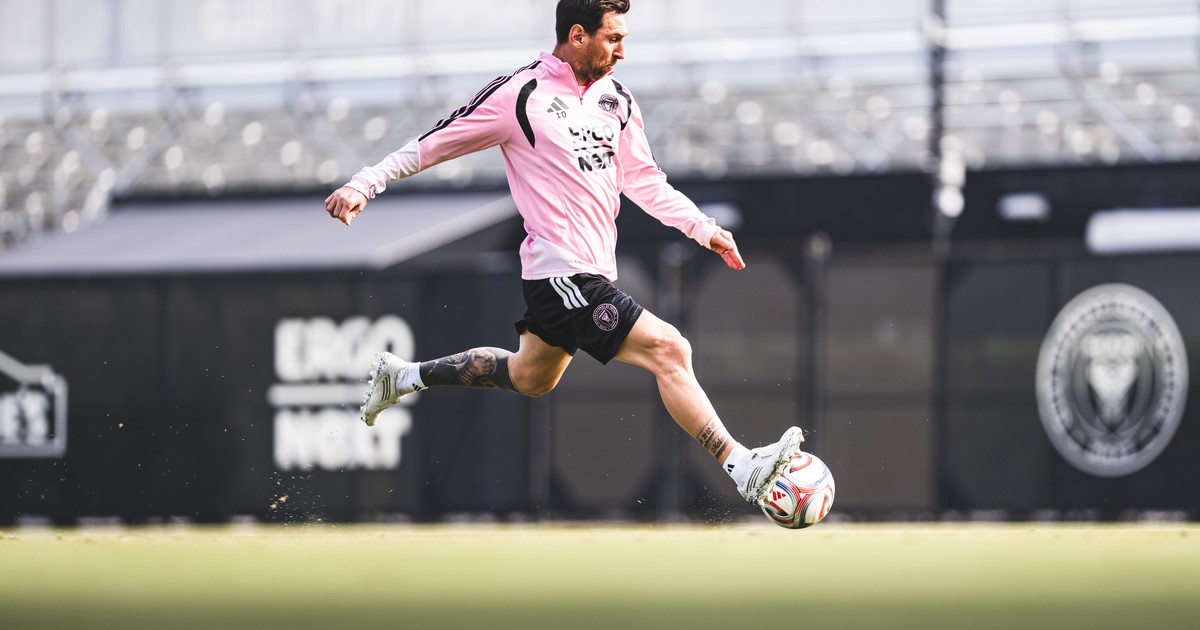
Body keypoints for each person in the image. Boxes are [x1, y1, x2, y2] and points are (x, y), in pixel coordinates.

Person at [323, 0, 804, 506]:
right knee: (671, 349)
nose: (622, 51)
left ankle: (402, 376)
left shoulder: (617, 99)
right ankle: (741, 465)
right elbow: (436, 142)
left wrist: (702, 228)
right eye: (613, 38)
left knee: (529, 377)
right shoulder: (519, 94)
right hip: (561, 273)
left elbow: (644, 181)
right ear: (577, 35)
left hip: (589, 272)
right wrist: (365, 183)